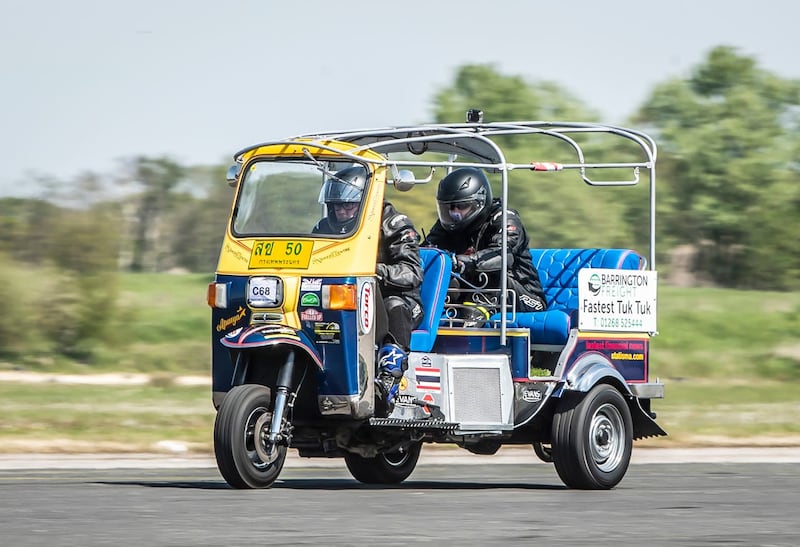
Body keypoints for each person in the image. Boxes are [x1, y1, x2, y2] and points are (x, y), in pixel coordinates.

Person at [313, 166, 424, 413]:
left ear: (365, 201)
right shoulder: (324, 228)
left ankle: (388, 380)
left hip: (396, 301)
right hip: (344, 301)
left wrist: (372, 271)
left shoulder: (394, 224)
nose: (341, 211)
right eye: (337, 206)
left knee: (395, 306)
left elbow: (412, 273)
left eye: (348, 205)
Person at [422, 166, 547, 317]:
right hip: (472, 288)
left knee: (487, 282)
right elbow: (427, 251)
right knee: (439, 287)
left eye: (461, 206)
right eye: (448, 208)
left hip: (523, 296)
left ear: (479, 203)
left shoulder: (505, 218)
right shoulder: (447, 224)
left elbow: (502, 255)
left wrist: (465, 262)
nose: (454, 214)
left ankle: (469, 331)